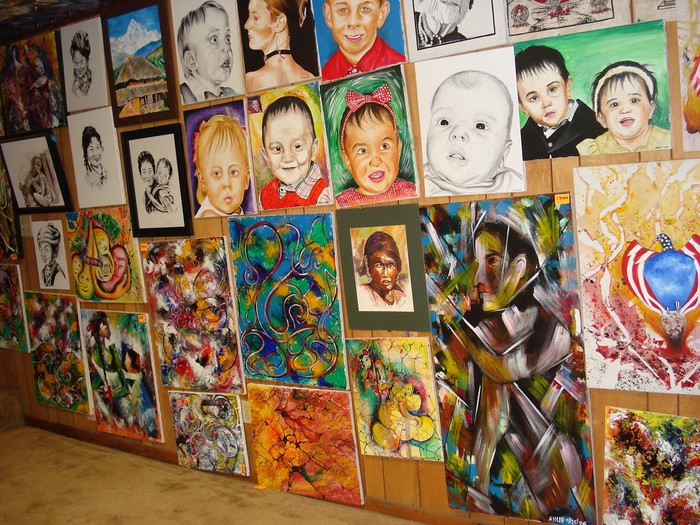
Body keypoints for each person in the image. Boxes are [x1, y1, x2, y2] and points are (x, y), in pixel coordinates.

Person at [423, 70, 524, 196]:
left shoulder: (513, 184)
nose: (458, 133)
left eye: (480, 126)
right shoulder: (420, 185)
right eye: (444, 122)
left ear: (504, 152)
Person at [515, 45, 605, 160]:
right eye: (534, 98)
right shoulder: (520, 142)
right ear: (523, 107)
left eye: (552, 89)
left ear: (567, 87)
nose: (546, 103)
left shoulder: (597, 128)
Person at [336, 84, 416, 207]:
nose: (375, 161)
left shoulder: (410, 192)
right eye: (362, 151)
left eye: (384, 146)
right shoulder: (342, 203)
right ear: (347, 160)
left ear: (398, 150)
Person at [577, 60, 670, 154]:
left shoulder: (669, 141)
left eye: (634, 100)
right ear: (601, 119)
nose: (625, 110)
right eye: (614, 104)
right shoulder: (594, 150)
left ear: (650, 109)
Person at [259, 95, 332, 209]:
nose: (287, 158)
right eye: (277, 149)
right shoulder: (264, 195)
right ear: (266, 157)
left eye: (297, 146)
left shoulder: (322, 195)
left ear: (313, 150)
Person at [321, 0, 404, 81]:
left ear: (381, 14)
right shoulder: (324, 75)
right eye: (342, 10)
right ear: (328, 15)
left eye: (365, 9)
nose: (353, 23)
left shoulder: (402, 68)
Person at [243, 0, 315, 91]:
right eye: (249, 15)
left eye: (255, 18)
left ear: (279, 22)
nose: (246, 25)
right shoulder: (310, 79)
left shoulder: (250, 81)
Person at [177, 1, 236, 104]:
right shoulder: (181, 96)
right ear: (191, 60)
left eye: (227, 38)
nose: (226, 47)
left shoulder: (231, 93)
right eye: (214, 39)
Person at [193, 114, 251, 217]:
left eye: (233, 172)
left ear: (246, 179)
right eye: (216, 173)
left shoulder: (237, 213)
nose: (226, 183)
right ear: (202, 180)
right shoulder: (210, 217)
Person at [356, 230, 409, 310]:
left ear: (398, 268)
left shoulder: (402, 298)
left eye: (390, 265)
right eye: (379, 265)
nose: (385, 274)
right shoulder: (362, 295)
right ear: (367, 263)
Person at [36, 223, 66, 287]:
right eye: (41, 250)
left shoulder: (58, 274)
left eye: (47, 249)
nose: (43, 254)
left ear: (54, 251)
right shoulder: (42, 273)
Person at [70, 30, 92, 97]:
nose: (79, 67)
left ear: (87, 60)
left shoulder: (91, 77)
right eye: (76, 63)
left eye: (82, 62)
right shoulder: (76, 87)